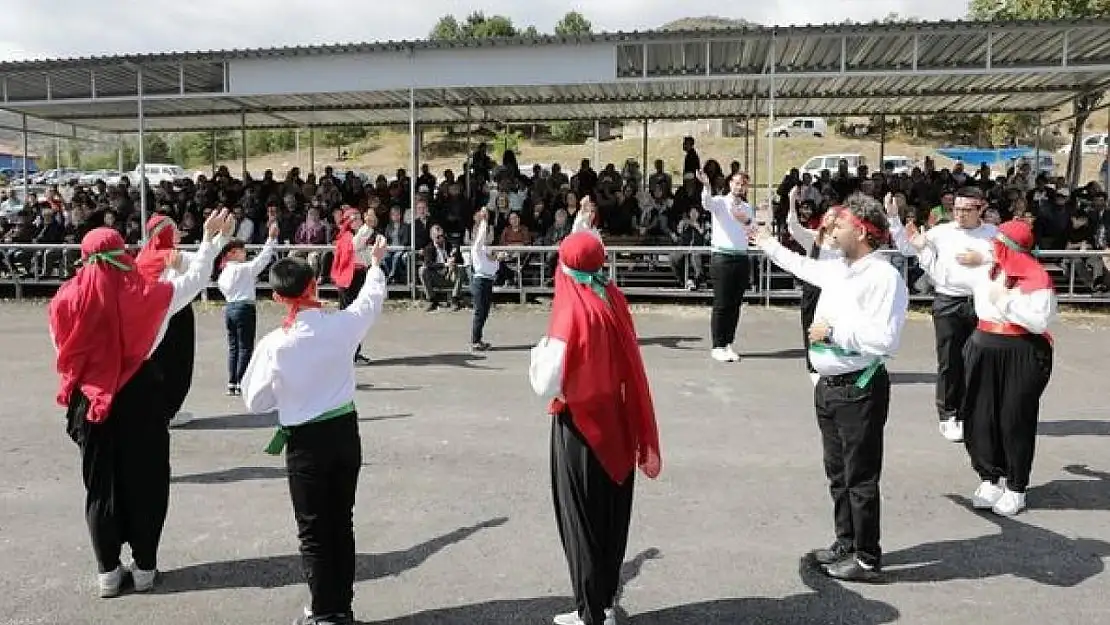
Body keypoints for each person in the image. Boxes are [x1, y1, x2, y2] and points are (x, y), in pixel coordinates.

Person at [48, 209, 231, 598]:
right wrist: (210, 241)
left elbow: (62, 350)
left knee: (101, 487)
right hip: (141, 397)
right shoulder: (147, 295)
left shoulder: (63, 300)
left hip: (91, 399)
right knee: (147, 482)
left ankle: (108, 574)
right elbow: (194, 280)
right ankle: (145, 568)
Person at [752, 193, 908, 582]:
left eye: (840, 224)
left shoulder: (883, 276)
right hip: (830, 385)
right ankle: (846, 541)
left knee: (860, 477)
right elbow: (803, 266)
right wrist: (768, 242)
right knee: (838, 473)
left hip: (859, 386)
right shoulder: (840, 268)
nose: (832, 229)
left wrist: (834, 332)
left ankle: (868, 557)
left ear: (861, 230)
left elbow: (885, 340)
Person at [240, 235, 389, 625]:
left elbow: (254, 401)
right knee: (342, 521)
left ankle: (324, 610)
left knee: (313, 529)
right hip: (344, 431)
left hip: (305, 441)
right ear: (315, 285)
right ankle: (340, 604)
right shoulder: (340, 326)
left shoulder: (275, 345)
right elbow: (370, 302)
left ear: (276, 298)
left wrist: (286, 395)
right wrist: (374, 264)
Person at [529, 231, 662, 625]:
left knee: (580, 522)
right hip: (617, 420)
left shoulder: (571, 309)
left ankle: (590, 613)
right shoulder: (610, 294)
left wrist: (535, 351)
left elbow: (546, 382)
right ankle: (600, 604)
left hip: (581, 427)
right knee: (609, 519)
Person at [911, 219, 1055, 517]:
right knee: (978, 415)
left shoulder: (1037, 278)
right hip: (983, 344)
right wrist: (924, 250)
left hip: (1022, 349)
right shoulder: (985, 269)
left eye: (999, 243)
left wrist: (1006, 303)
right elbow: (944, 276)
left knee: (1014, 418)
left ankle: (1016, 487)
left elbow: (1039, 321)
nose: (993, 246)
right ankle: (989, 478)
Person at [887, 188, 997, 443]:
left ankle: (975, 411)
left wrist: (982, 257)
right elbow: (907, 248)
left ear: (981, 208)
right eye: (956, 209)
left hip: (982, 301)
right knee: (950, 359)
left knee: (980, 360)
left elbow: (1014, 256)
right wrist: (894, 220)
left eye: (967, 209)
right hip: (949, 301)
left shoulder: (993, 234)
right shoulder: (942, 232)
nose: (960, 214)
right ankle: (949, 414)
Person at [135, 214, 210, 427]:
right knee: (178, 363)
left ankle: (154, 407)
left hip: (151, 315)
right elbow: (203, 267)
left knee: (156, 360)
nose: (179, 233)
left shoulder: (143, 255)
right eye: (175, 229)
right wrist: (213, 238)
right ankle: (169, 409)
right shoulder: (175, 255)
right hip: (176, 311)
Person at [214, 222, 279, 395]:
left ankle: (232, 381)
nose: (244, 253)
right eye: (241, 250)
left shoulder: (224, 274)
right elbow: (262, 260)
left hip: (230, 307)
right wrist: (270, 239)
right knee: (245, 346)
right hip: (244, 307)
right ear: (232, 254)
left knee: (234, 346)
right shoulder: (242, 269)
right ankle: (242, 380)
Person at [697, 169, 754, 363]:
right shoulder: (721, 202)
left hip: (741, 257)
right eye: (737, 183)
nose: (739, 187)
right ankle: (718, 344)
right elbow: (707, 203)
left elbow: (752, 229)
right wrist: (706, 186)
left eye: (743, 184)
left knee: (735, 304)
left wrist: (744, 219)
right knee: (722, 302)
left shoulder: (747, 207)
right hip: (722, 257)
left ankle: (728, 342)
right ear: (730, 183)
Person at [785, 186, 840, 386]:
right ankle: (814, 367)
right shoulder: (814, 237)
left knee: (833, 329)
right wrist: (792, 201)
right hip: (813, 289)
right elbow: (793, 227)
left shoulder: (844, 242)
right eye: (830, 216)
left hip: (834, 291)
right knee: (811, 328)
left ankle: (832, 364)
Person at [329, 206, 373, 365]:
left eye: (360, 218)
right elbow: (356, 245)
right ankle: (350, 353)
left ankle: (352, 352)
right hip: (349, 280)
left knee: (355, 316)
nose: (360, 221)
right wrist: (368, 227)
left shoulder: (353, 235)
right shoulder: (347, 236)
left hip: (358, 277)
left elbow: (364, 256)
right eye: (356, 219)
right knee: (351, 317)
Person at [469, 208, 507, 351]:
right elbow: (480, 236)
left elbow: (493, 267)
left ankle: (478, 339)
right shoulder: (476, 248)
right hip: (480, 281)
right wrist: (484, 221)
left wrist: (498, 258)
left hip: (488, 281)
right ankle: (475, 340)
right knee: (480, 311)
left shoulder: (485, 250)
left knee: (484, 311)